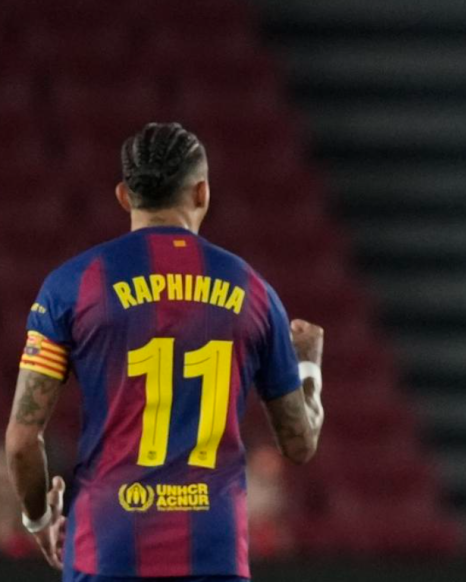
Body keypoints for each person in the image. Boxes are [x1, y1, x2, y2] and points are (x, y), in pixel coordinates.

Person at [4, 122, 324, 582]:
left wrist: (38, 518)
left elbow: (20, 442)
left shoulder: (72, 285)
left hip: (105, 550)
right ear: (202, 193)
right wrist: (308, 365)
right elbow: (299, 443)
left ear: (123, 196)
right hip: (214, 554)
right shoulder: (253, 291)